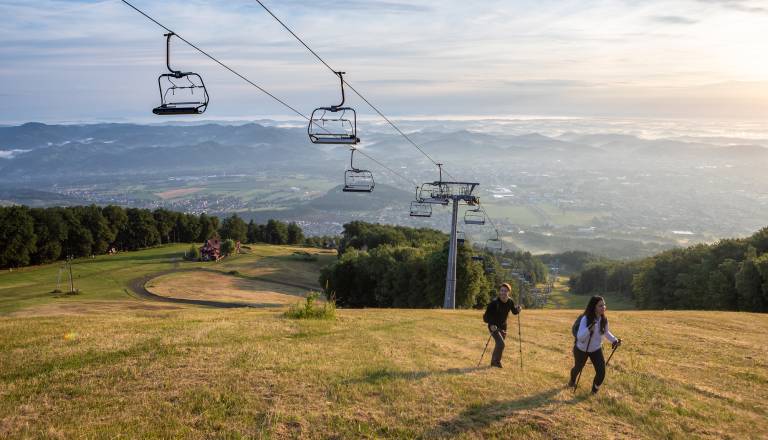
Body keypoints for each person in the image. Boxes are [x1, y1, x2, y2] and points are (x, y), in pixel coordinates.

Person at [568, 295, 621, 394]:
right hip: (581, 349)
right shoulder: (585, 319)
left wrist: (614, 340)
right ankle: (572, 381)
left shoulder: (604, 319)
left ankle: (594, 391)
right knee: (578, 368)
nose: (603, 307)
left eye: (604, 305)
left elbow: (606, 332)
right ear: (594, 307)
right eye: (600, 306)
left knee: (601, 372)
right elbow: (580, 337)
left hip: (596, 349)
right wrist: (589, 329)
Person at [482, 283, 522, 368]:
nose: (503, 293)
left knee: (499, 345)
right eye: (502, 290)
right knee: (501, 344)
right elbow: (485, 317)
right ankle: (497, 363)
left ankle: (494, 362)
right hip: (493, 327)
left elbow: (514, 311)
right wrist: (492, 325)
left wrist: (518, 309)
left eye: (505, 291)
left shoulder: (510, 301)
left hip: (503, 327)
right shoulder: (494, 303)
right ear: (499, 292)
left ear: (509, 292)